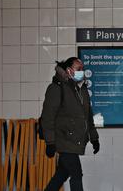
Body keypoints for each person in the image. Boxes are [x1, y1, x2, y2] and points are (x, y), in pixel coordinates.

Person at [41, 57, 100, 191]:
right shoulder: (57, 88)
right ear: (68, 70)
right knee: (76, 173)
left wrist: (94, 137)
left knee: (61, 175)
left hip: (74, 141)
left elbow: (88, 116)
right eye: (78, 69)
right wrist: (50, 142)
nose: (82, 71)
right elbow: (47, 117)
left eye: (83, 69)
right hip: (63, 139)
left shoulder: (81, 89)